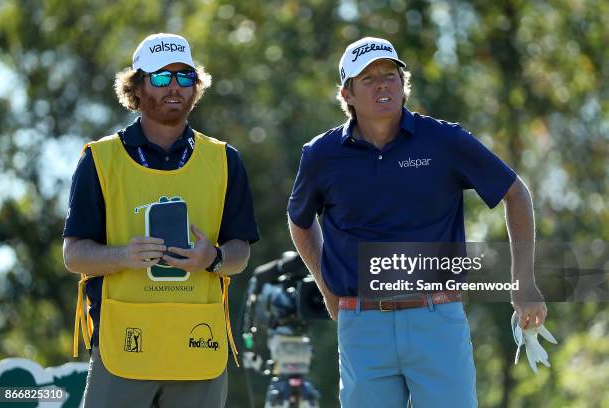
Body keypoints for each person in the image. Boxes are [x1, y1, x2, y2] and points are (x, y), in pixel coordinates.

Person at [287, 37, 547, 408]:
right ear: (347, 94)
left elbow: (516, 194)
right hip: (362, 327)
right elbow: (300, 221)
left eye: (390, 75)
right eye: (369, 78)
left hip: (436, 319)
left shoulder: (444, 140)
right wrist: (328, 288)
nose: (382, 84)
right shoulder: (320, 156)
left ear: (402, 85)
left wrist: (524, 282)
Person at [63, 33, 259, 408]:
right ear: (137, 87)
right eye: (160, 77)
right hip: (123, 349)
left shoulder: (225, 160)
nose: (174, 87)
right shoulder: (99, 160)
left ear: (195, 87)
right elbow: (74, 255)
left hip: (198, 348)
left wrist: (213, 258)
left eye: (185, 78)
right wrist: (123, 256)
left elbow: (240, 252)